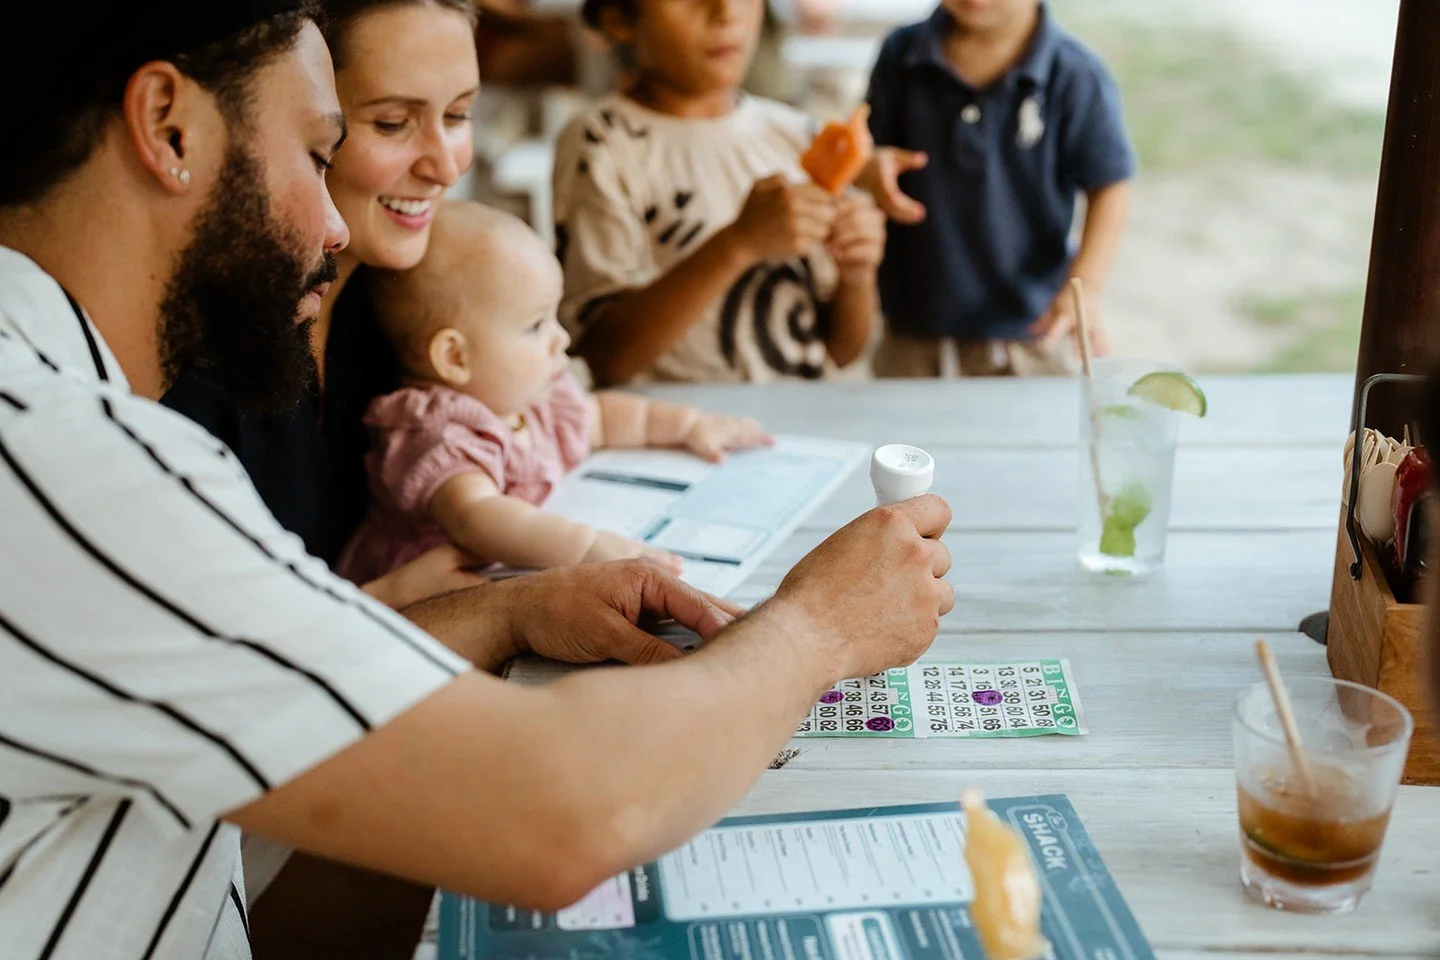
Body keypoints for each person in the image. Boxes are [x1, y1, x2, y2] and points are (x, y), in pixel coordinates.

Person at [0, 4, 954, 959]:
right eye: (315, 148)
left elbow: (282, 700)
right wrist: (821, 627)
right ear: (169, 127)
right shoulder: (72, 462)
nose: (334, 224)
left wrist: (509, 612)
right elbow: (564, 812)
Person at [162, 0, 486, 612]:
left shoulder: (409, 303)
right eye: (392, 123)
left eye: (461, 114)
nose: (445, 165)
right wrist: (384, 602)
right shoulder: (188, 362)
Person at [338, 201, 771, 585]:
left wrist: (691, 426)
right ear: (455, 356)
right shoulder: (438, 431)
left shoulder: (531, 397)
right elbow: (478, 518)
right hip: (423, 609)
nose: (560, 338)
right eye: (535, 325)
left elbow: (602, 418)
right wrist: (589, 549)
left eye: (554, 317)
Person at [554, 0, 888, 386]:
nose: (727, 12)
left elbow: (842, 350)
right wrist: (738, 244)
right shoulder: (602, 144)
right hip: (675, 434)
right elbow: (604, 357)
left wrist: (857, 273)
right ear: (619, 19)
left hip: (798, 432)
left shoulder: (797, 135)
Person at [860, 0, 1135, 378]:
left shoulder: (1074, 74)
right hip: (912, 325)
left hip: (1031, 332)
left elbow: (1110, 187)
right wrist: (871, 168)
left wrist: (1085, 289)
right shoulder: (900, 54)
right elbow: (868, 152)